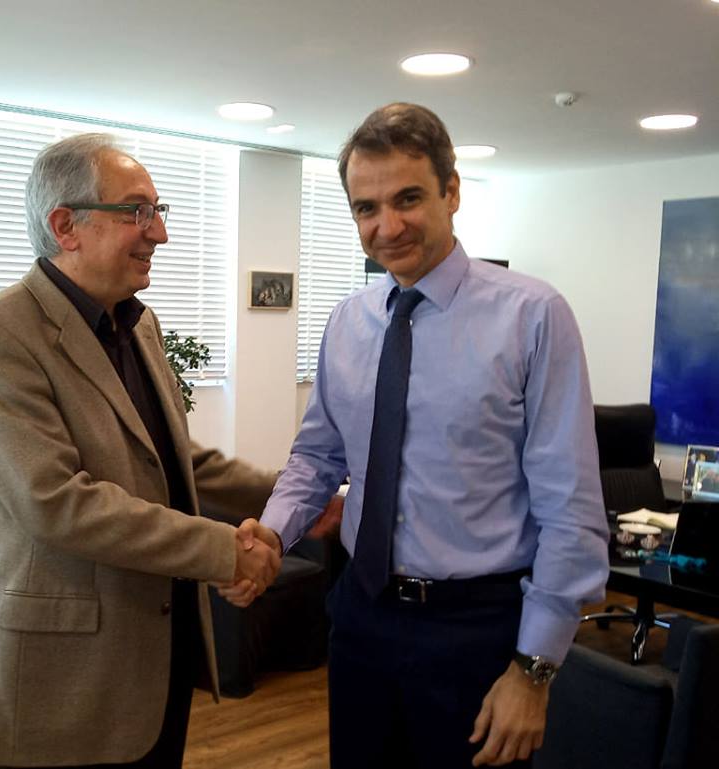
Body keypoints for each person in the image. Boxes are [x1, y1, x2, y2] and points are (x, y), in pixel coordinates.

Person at [259, 103, 610, 768]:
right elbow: (318, 455)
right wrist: (272, 534)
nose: (387, 227)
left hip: (476, 631)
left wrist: (534, 670)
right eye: (366, 207)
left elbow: (570, 508)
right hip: (361, 616)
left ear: (452, 191)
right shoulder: (348, 321)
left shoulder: (533, 316)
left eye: (408, 198)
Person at [0, 133, 281, 769]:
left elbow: (175, 459)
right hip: (61, 677)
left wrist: (293, 492)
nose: (159, 233)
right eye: (137, 212)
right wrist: (223, 550)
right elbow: (57, 503)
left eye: (159, 211)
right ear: (65, 226)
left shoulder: (137, 323)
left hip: (155, 657)